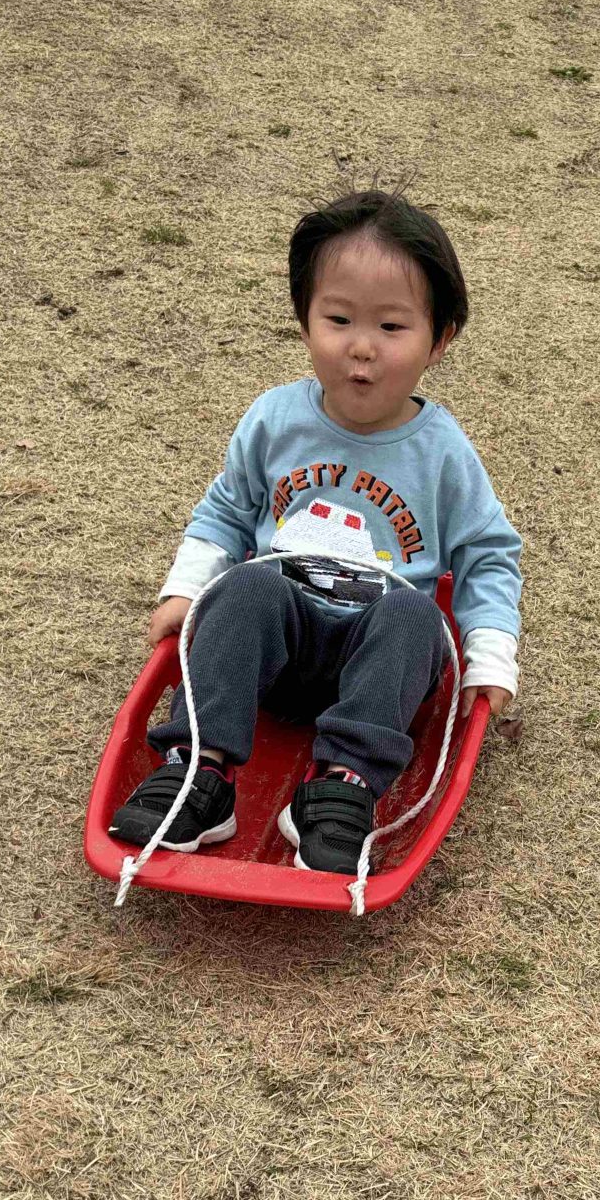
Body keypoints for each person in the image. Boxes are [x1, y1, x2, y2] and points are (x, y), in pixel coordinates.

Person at [109, 189, 523, 875]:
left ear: (439, 339)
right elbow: (227, 510)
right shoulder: (276, 420)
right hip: (276, 652)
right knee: (244, 587)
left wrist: (490, 654)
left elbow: (488, 554)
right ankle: (199, 773)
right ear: (304, 321)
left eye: (392, 327)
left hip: (379, 667)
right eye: (338, 319)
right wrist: (187, 587)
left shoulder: (443, 453)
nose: (361, 347)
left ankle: (341, 787)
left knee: (417, 616)